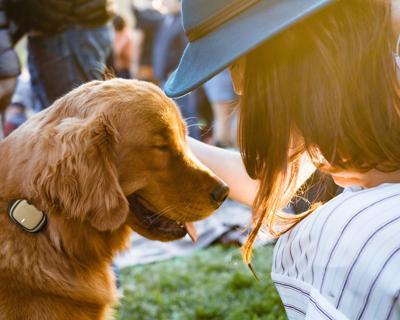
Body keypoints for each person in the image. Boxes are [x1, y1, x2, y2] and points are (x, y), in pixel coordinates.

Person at [164, 0, 400, 319]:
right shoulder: (355, 104)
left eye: (238, 61)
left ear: (294, 53)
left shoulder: (347, 235)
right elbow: (267, 181)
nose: (237, 85)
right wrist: (165, 145)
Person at [6, 0, 114, 111]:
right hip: (69, 27)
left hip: (64, 31)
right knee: (74, 114)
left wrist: (40, 17)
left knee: (72, 115)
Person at [203, 68, 238, 148]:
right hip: (236, 66)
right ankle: (238, 153)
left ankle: (222, 153)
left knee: (222, 117)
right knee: (238, 113)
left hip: (216, 71)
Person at [111, 15, 134, 79]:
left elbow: (117, 51)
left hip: (124, 69)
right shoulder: (120, 33)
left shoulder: (126, 35)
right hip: (119, 68)